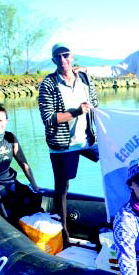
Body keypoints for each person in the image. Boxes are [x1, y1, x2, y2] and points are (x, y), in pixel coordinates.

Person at [38, 43, 99, 242]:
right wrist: (76, 112)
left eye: (66, 55)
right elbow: (48, 118)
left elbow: (95, 105)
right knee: (62, 187)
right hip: (62, 144)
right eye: (58, 56)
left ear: (72, 56)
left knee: (113, 163)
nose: (63, 59)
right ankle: (63, 232)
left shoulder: (84, 78)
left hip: (88, 140)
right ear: (53, 60)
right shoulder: (48, 84)